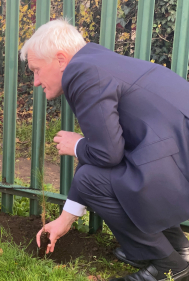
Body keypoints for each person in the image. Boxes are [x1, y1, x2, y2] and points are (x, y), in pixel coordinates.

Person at [20, 19, 189, 280]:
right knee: (102, 173)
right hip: (175, 161)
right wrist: (66, 219)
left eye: (37, 70)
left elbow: (106, 154)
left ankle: (169, 266)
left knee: (90, 180)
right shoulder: (97, 61)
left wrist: (76, 145)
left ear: (61, 60)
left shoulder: (82, 73)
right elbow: (105, 149)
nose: (36, 81)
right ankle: (180, 249)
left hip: (174, 166)